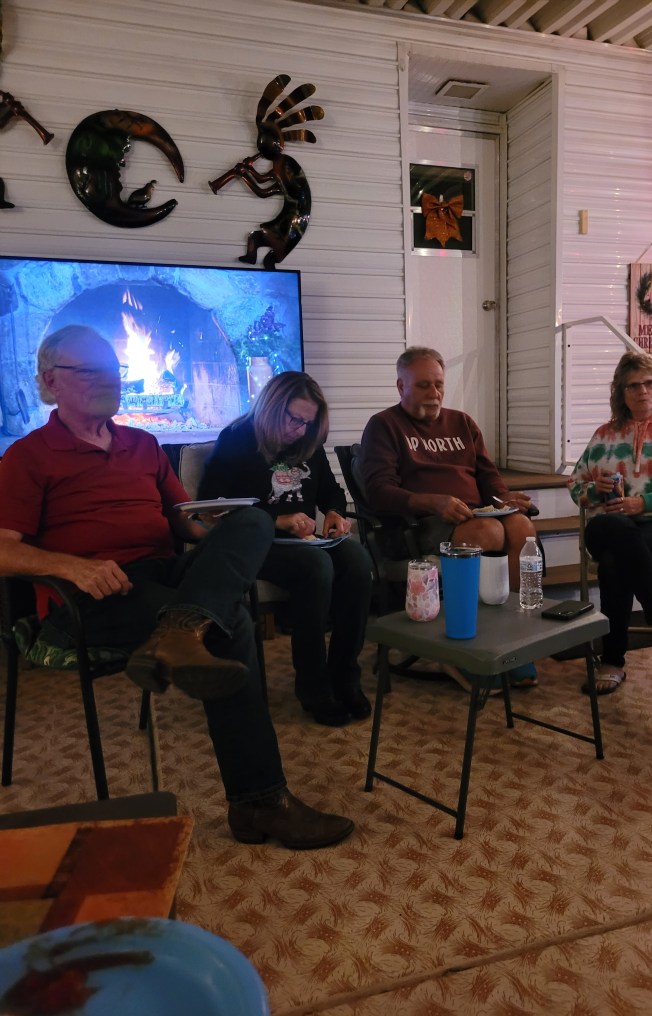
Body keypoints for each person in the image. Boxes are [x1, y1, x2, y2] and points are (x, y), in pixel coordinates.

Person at [0, 325, 354, 850]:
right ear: (51, 382)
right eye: (91, 371)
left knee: (254, 521)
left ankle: (181, 629)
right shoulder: (28, 456)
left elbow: (186, 523)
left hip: (163, 572)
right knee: (231, 624)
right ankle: (259, 803)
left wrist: (228, 533)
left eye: (113, 370)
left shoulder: (142, 444)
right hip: (91, 593)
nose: (109, 380)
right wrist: (74, 568)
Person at [199, 370, 373, 727]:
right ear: (272, 407)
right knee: (317, 568)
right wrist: (277, 520)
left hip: (305, 541)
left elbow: (330, 491)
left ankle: (345, 674)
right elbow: (211, 507)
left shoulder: (307, 441)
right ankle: (313, 686)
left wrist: (335, 514)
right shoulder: (236, 439)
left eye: (308, 423)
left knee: (357, 561)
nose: (300, 430)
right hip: (253, 544)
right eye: (295, 419)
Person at [358, 346, 539, 687]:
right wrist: (434, 502)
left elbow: (488, 477)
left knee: (521, 526)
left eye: (439, 384)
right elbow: (378, 492)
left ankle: (512, 641)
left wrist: (504, 498)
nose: (434, 392)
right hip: (418, 524)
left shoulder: (462, 423)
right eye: (423, 385)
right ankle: (465, 646)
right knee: (488, 533)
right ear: (401, 386)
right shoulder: (384, 426)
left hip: (474, 514)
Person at [569, 351, 652, 695]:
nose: (642, 391)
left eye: (648, 383)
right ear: (621, 392)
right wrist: (595, 491)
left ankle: (613, 661)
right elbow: (576, 486)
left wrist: (643, 503)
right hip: (610, 525)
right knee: (616, 529)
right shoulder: (604, 436)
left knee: (614, 562)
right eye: (632, 386)